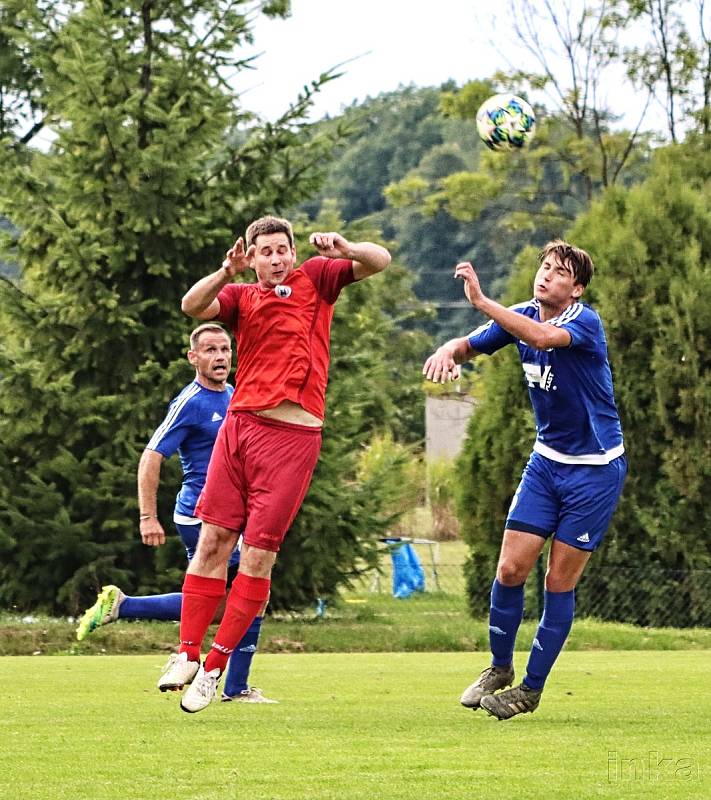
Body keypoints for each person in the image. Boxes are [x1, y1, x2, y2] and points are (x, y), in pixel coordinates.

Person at [160, 215, 391, 713]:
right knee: (213, 542)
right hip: (240, 429)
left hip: (292, 438)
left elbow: (380, 260)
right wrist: (226, 272)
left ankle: (216, 669)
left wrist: (346, 246)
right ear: (254, 257)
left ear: (291, 250)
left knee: (259, 557)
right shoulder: (242, 297)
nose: (276, 259)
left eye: (281, 249)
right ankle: (186, 653)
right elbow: (191, 305)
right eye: (265, 252)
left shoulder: (317, 277)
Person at [423, 240, 626, 720]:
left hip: (595, 473)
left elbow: (537, 337)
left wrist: (481, 301)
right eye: (544, 268)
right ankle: (499, 668)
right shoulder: (521, 314)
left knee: (558, 581)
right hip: (546, 463)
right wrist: (447, 350)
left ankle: (530, 690)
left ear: (576, 289)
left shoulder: (583, 322)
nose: (546, 276)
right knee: (510, 570)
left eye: (559, 273)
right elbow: (470, 344)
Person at [76, 323, 276, 703]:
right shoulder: (191, 401)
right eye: (211, 350)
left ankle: (126, 607)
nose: (220, 357)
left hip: (232, 513)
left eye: (225, 350)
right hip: (200, 514)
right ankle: (232, 685)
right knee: (246, 593)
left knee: (226, 600)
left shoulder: (233, 394)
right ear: (193, 357)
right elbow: (152, 456)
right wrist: (147, 517)